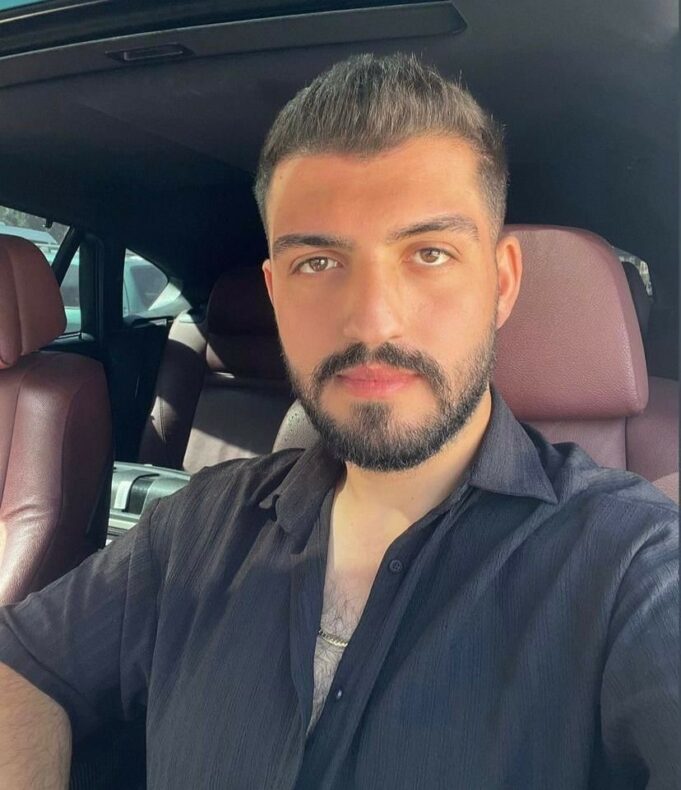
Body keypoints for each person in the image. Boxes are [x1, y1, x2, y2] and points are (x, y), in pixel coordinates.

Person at [0, 53, 678, 790]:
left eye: (428, 253)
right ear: (274, 292)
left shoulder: (631, 563)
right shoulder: (197, 525)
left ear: (502, 283)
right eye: (318, 263)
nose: (372, 321)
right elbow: (23, 663)